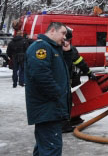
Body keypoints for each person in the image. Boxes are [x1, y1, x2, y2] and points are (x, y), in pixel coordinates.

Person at [25, 22, 70, 156]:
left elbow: (62, 72)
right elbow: (40, 76)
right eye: (63, 33)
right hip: (47, 108)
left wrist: (67, 53)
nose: (65, 38)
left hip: (51, 108)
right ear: (52, 31)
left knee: (44, 146)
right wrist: (57, 94)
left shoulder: (53, 49)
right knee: (51, 148)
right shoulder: (41, 47)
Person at [61, 26, 96, 132]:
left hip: (65, 79)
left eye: (68, 40)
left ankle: (72, 118)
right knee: (64, 101)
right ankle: (63, 124)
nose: (66, 43)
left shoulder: (68, 49)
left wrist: (89, 73)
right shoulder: (55, 48)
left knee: (68, 100)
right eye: (65, 39)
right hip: (60, 81)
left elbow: (79, 62)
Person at [7, 22, 29, 88]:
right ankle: (21, 82)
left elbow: (8, 51)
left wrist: (11, 56)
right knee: (22, 69)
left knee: (15, 70)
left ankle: (14, 83)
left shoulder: (11, 42)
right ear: (21, 35)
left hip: (14, 56)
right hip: (22, 56)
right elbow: (27, 50)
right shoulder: (24, 41)